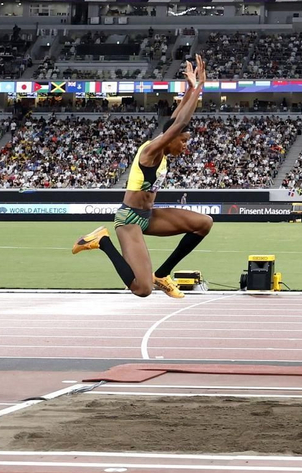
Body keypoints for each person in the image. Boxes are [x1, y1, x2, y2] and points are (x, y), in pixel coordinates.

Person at [71, 55, 213, 298]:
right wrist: (200, 87)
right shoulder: (151, 151)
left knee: (204, 223)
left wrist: (190, 88)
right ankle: (101, 241)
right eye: (184, 141)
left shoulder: (164, 149)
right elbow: (179, 124)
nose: (186, 146)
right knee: (142, 289)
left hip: (148, 216)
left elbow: (176, 120)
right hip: (130, 220)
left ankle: (163, 273)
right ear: (172, 137)